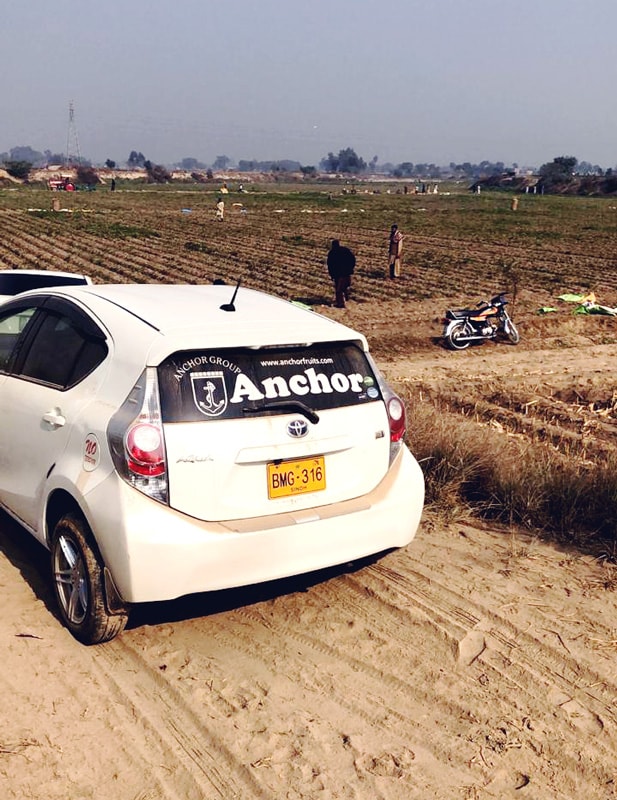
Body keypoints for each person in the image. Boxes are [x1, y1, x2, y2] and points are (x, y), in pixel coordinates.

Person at [327, 239, 355, 308]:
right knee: (344, 288)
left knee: (338, 290)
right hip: (346, 272)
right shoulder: (345, 250)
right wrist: (351, 268)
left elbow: (330, 264)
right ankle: (347, 300)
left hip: (338, 274)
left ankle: (340, 304)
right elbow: (352, 259)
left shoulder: (332, 253)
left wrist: (331, 274)